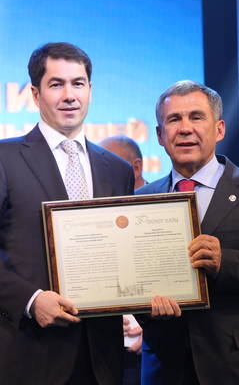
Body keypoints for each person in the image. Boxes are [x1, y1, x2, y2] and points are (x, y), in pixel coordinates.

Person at [0, 42, 135, 385]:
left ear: (90, 90)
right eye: (56, 84)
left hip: (100, 358)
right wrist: (31, 299)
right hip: (24, 352)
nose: (69, 95)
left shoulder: (116, 169)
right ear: (36, 94)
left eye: (78, 83)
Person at [137, 80, 239, 384]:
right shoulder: (139, 200)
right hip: (166, 368)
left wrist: (224, 262)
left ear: (219, 129)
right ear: (160, 135)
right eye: (174, 119)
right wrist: (146, 309)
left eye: (196, 117)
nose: (185, 128)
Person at [99, 135, 146, 384]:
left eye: (107, 165)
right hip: (102, 348)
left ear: (135, 168)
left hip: (152, 352)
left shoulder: (162, 205)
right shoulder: (92, 213)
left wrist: (150, 329)